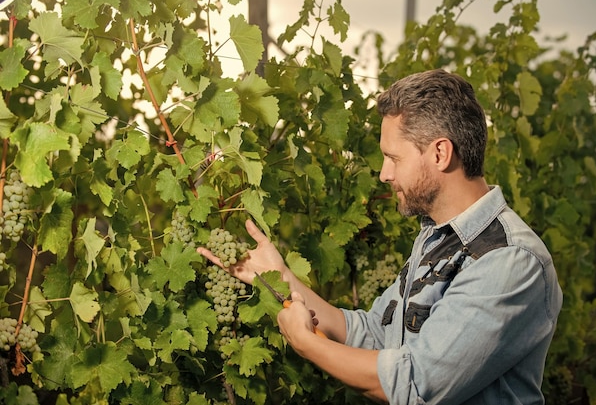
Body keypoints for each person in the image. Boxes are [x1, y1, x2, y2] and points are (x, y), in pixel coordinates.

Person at [197, 69, 563, 405]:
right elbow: (373, 333)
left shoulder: (506, 260)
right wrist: (279, 277)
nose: (384, 173)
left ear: (440, 152)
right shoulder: (438, 237)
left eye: (394, 158)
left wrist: (307, 345)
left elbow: (414, 384)